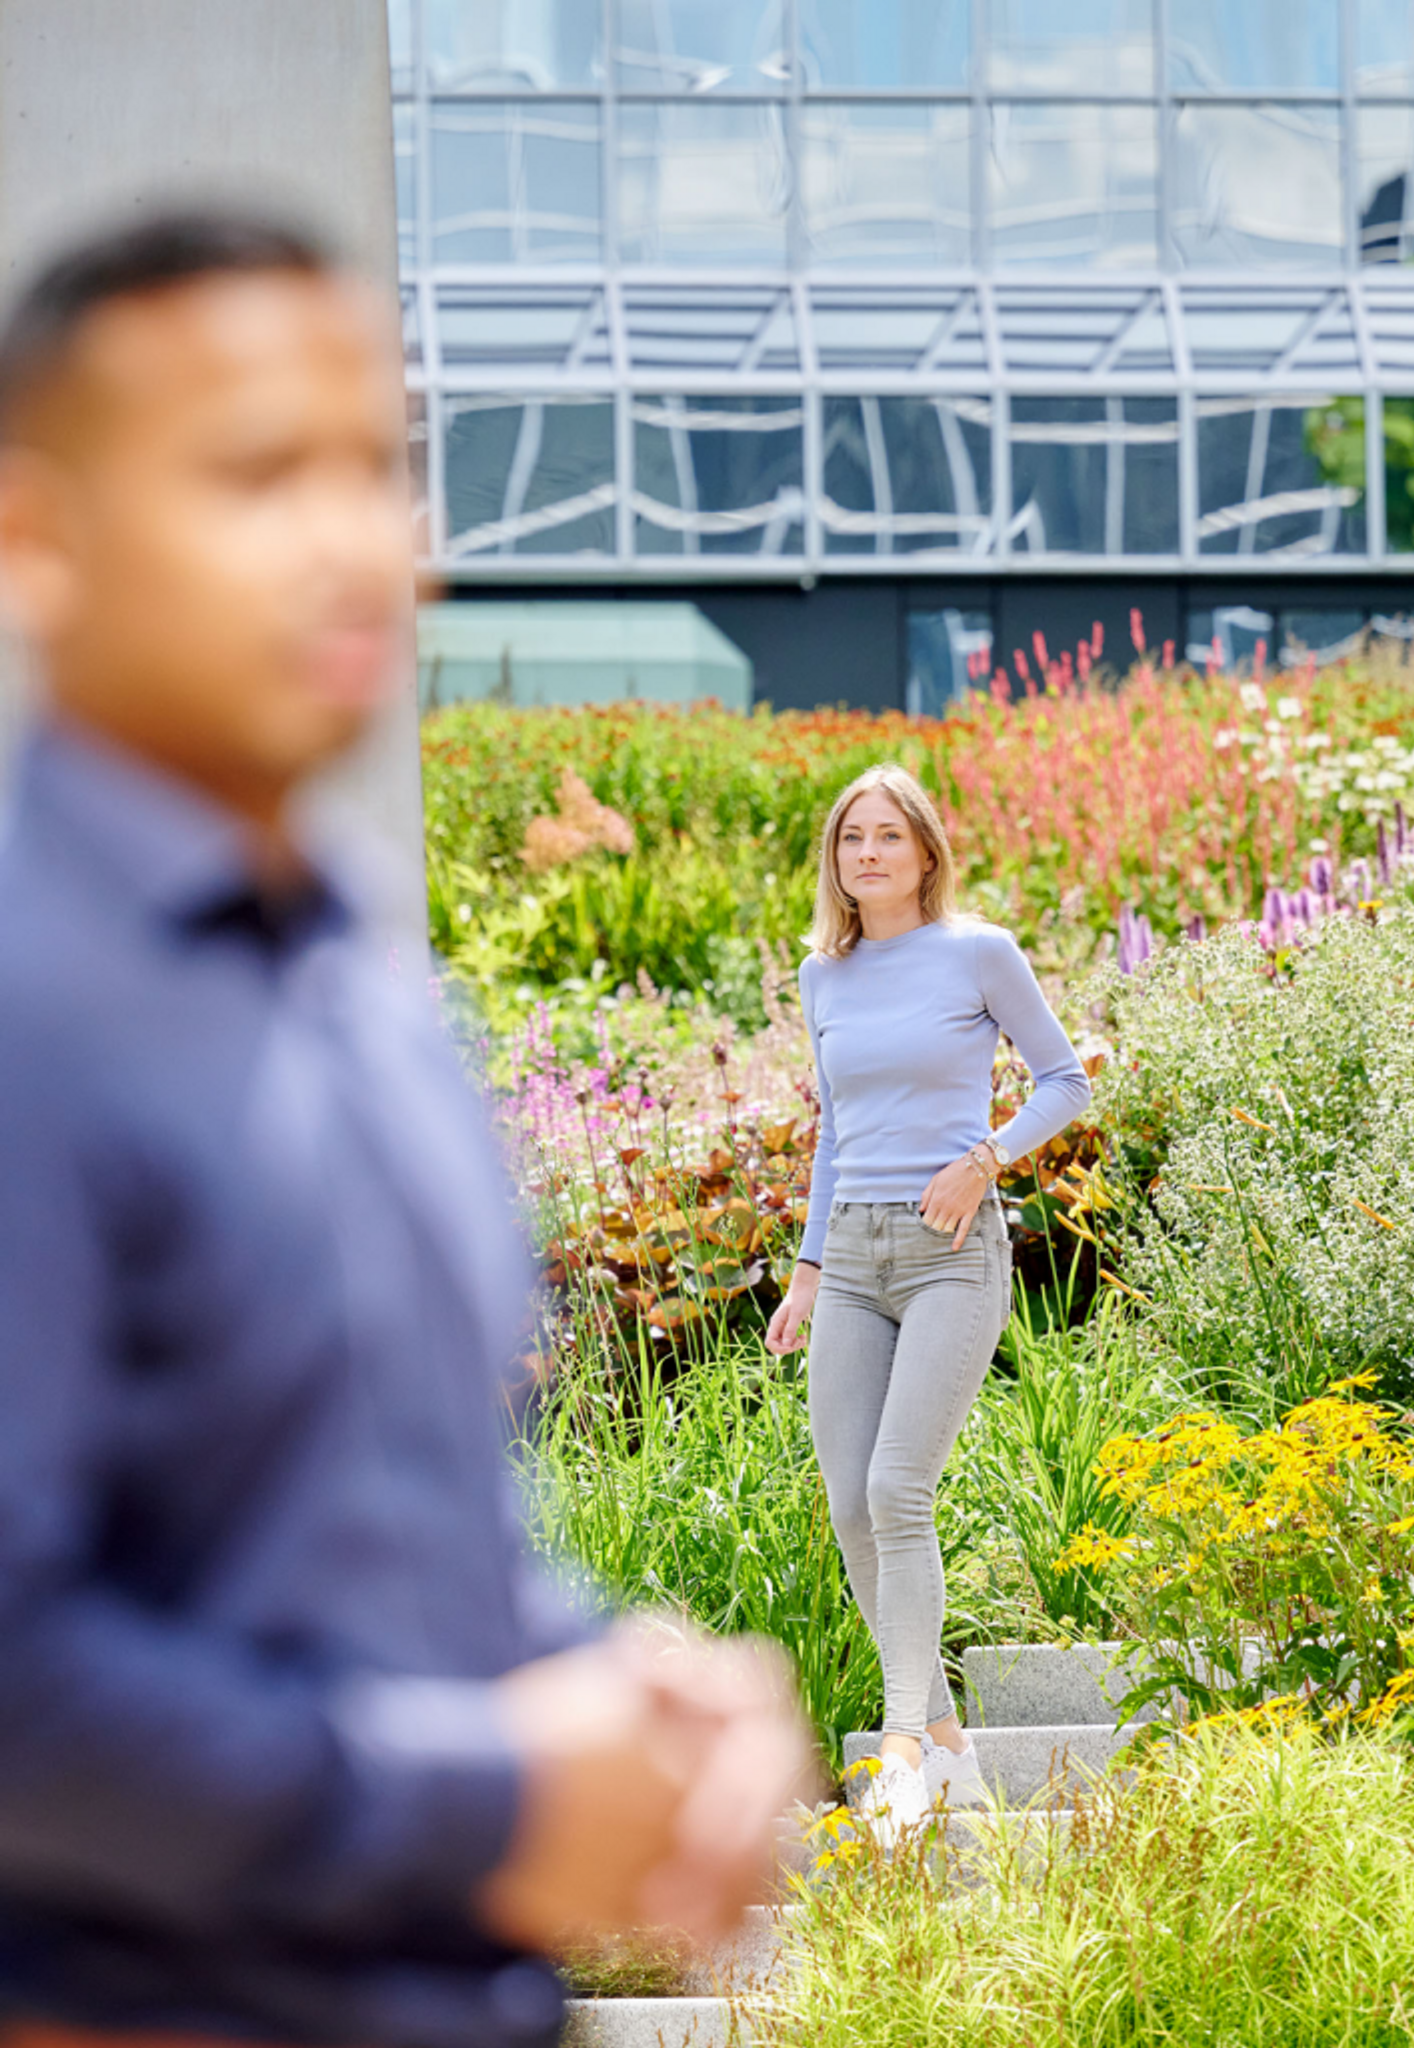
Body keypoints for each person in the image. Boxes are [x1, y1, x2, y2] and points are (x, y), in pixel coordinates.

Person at [0, 209, 809, 2048]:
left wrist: (637, 1695)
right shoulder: (27, 1010)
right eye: (259, 471)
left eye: (380, 467)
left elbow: (374, 1529)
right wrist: (492, 1795)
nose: (353, 540)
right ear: (36, 541)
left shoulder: (359, 973)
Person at [766, 766, 1092, 1842]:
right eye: (851, 837)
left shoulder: (978, 952)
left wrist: (987, 1158)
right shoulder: (824, 974)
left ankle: (901, 1743)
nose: (867, 853)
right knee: (850, 1502)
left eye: (887, 836)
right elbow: (832, 1134)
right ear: (837, 858)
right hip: (853, 1254)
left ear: (925, 851)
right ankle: (948, 1741)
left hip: (954, 1250)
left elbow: (1066, 1079)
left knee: (899, 1484)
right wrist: (809, 1273)